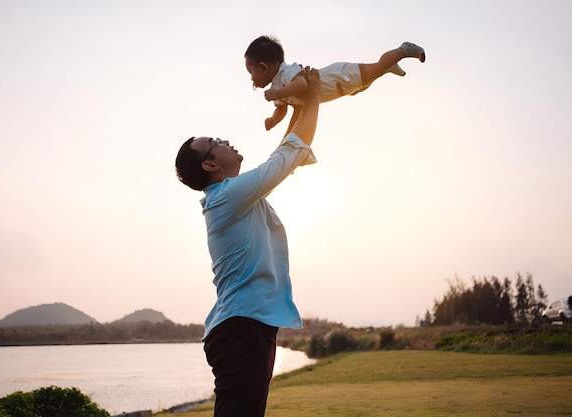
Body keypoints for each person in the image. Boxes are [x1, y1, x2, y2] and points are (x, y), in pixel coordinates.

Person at [174, 66, 321, 417]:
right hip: (241, 328)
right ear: (210, 165)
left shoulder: (235, 196)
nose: (224, 140)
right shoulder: (226, 196)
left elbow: (284, 155)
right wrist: (312, 97)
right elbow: (285, 158)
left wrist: (300, 105)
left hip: (246, 326)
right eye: (215, 144)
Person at [245, 35, 425, 135]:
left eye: (251, 73)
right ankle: (386, 67)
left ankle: (404, 49)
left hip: (339, 76)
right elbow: (282, 109)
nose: (252, 80)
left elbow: (302, 85)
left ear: (263, 67)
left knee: (375, 69)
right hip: (341, 89)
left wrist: (277, 93)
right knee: (366, 82)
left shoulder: (287, 72)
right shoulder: (278, 87)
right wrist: (273, 120)